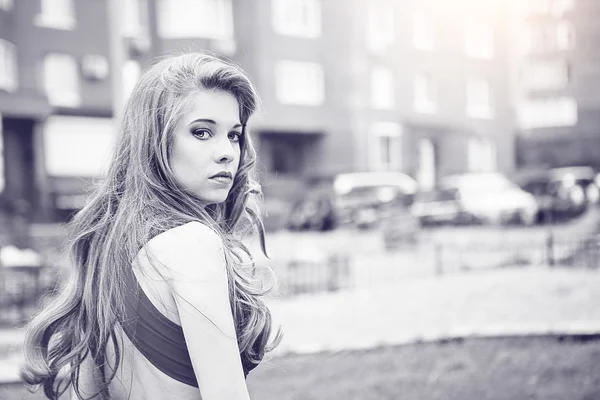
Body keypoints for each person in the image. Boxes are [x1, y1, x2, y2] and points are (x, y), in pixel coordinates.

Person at [20, 52, 281, 399]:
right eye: (202, 132)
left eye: (233, 135)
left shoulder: (107, 245)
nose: (227, 152)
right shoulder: (193, 244)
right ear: (154, 140)